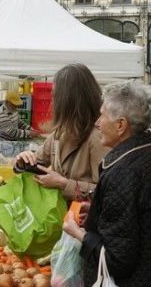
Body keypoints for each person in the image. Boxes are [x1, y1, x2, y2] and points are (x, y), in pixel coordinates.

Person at [63, 80, 151, 287]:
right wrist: (98, 213)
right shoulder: (143, 152)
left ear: (121, 125)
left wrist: (77, 233)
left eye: (102, 117)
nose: (97, 123)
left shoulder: (123, 170)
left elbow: (117, 259)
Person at [14, 64, 110, 201]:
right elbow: (38, 163)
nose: (52, 102)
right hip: (60, 216)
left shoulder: (98, 137)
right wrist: (23, 161)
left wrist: (63, 184)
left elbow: (108, 192)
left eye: (55, 96)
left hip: (83, 218)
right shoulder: (59, 133)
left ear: (69, 100)